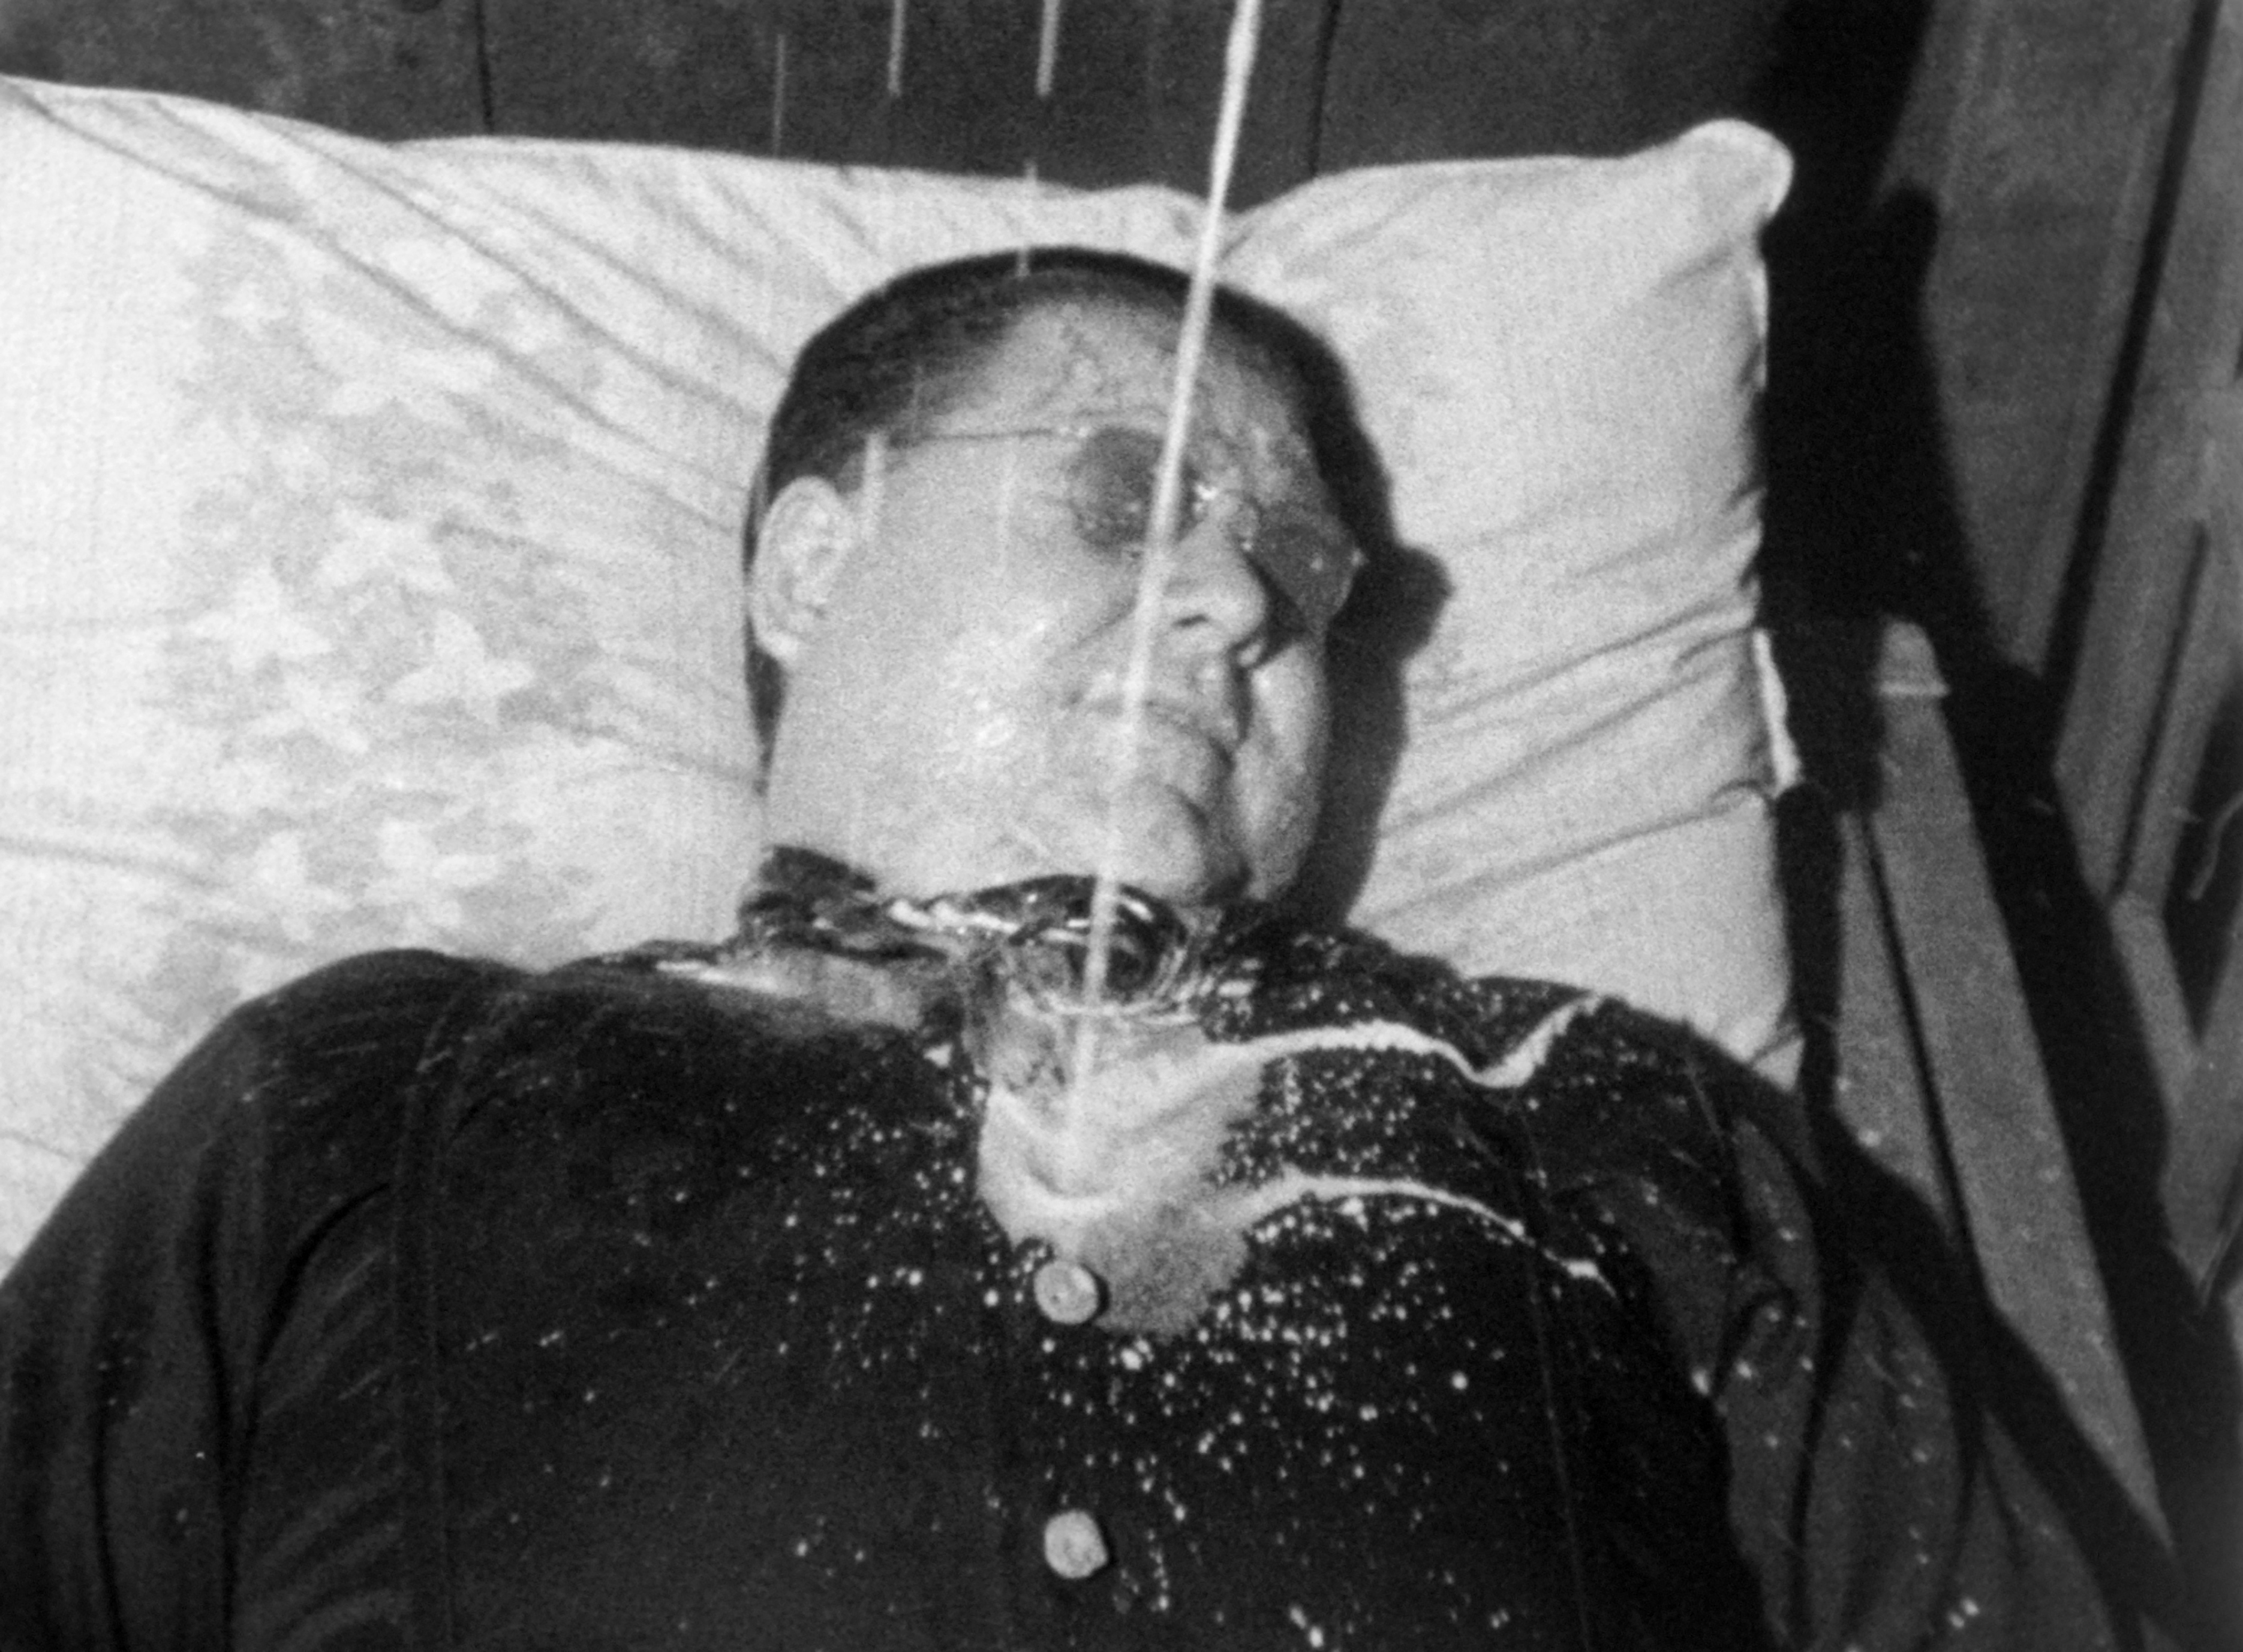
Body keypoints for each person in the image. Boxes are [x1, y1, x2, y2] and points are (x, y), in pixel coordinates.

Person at [0, 249, 2124, 1650]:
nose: (1242, 602)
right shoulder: (372, 1087)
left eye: (1299, 569)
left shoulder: (1587, 1109)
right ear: (810, 563)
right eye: (1125, 497)